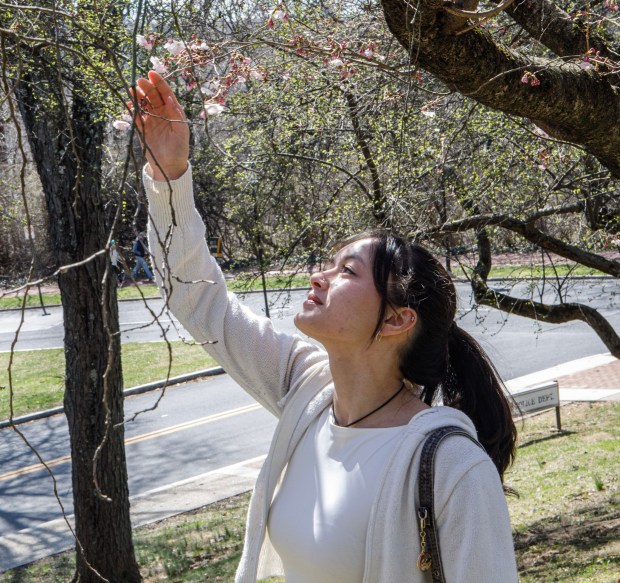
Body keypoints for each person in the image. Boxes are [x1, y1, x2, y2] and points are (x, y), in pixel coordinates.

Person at [134, 70, 519, 582]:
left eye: (347, 271)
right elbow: (197, 300)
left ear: (397, 319)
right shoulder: (308, 393)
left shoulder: (453, 468)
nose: (319, 276)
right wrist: (170, 178)